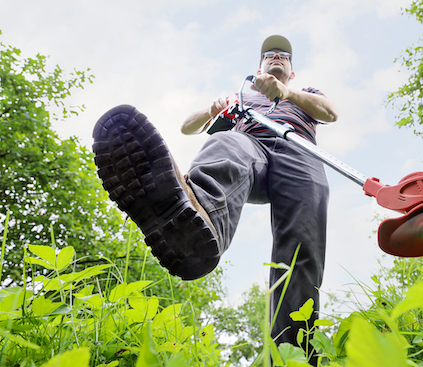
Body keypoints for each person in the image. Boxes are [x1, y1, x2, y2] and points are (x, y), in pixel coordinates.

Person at [92, 35, 338, 363]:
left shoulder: (303, 93)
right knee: (227, 143)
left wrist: (287, 94)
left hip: (299, 153)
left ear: (291, 72)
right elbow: (186, 127)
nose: (276, 57)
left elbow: (330, 113)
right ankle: (197, 224)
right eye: (270, 54)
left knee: (301, 252)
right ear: (260, 66)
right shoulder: (243, 98)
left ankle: (294, 357)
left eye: (283, 56)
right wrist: (211, 110)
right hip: (253, 150)